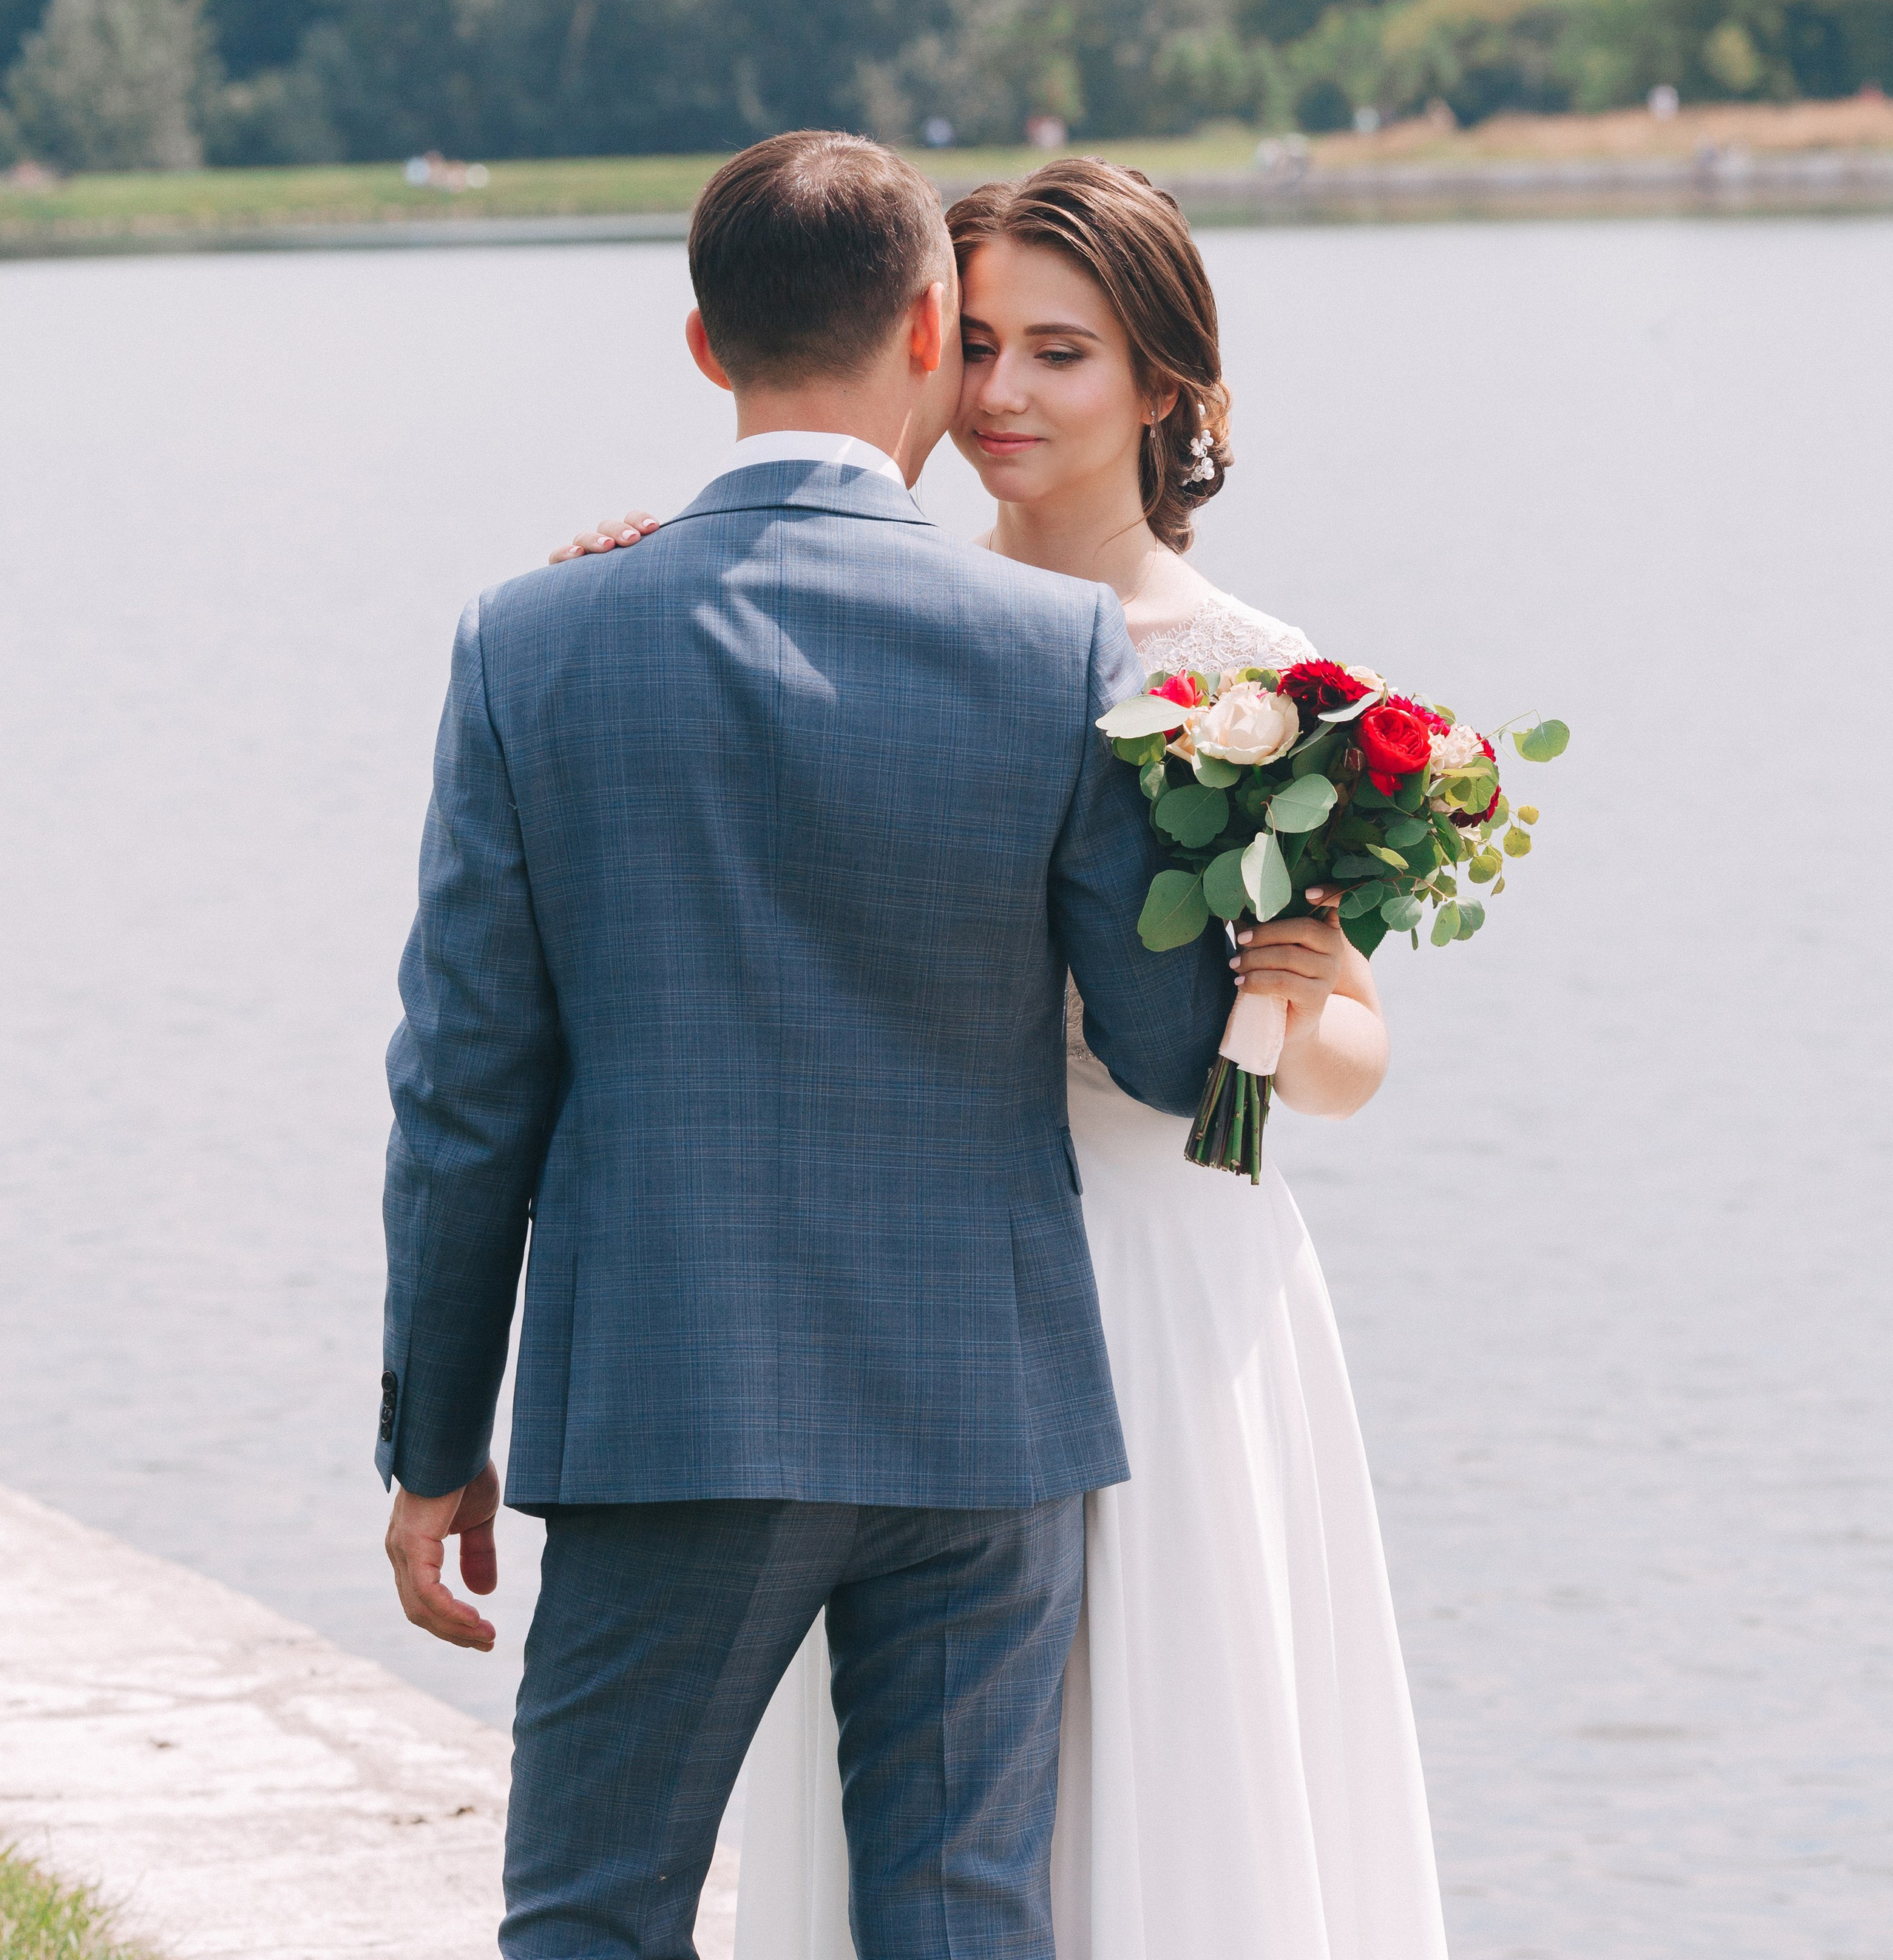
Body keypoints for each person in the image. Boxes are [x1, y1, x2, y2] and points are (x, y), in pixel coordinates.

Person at [558, 158, 1450, 1960]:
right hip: (919, 1296)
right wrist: (650, 591)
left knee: (1179, 1757)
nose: (1000, 396)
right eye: (972, 346)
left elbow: (1346, 1050)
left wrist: (1280, 1005)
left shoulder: (1264, 685)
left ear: (1161, 386)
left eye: (1059, 351)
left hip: (1170, 1277)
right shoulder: (866, 618)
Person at [378, 131, 1243, 1960]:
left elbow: (463, 1093)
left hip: (670, 1407)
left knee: (595, 1919)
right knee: (956, 1918)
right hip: (984, 1408)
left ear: (703, 344)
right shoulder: (1063, 649)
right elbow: (1171, 1059)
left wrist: (433, 1434)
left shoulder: (530, 640)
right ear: (935, 327)